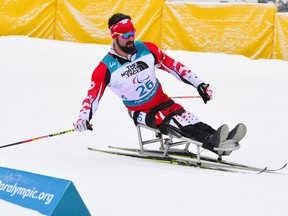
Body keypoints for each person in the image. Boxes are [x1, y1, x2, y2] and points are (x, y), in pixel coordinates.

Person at [74, 13, 246, 156]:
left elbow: (174, 66)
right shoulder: (105, 69)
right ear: (114, 36)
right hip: (140, 111)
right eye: (126, 35)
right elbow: (92, 98)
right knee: (174, 122)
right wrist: (84, 118)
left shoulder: (147, 49)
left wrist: (199, 84)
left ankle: (219, 139)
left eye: (132, 33)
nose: (131, 38)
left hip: (162, 100)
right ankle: (212, 143)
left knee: (188, 118)